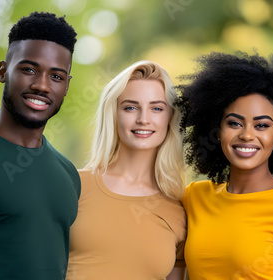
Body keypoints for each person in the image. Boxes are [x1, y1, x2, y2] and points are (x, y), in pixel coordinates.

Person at [0, 12, 80, 279]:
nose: (41, 85)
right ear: (3, 71)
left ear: (67, 86)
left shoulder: (68, 174)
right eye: (29, 69)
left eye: (56, 76)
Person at [177, 51, 273, 280]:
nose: (247, 135)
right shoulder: (194, 198)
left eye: (262, 126)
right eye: (235, 123)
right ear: (218, 131)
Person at [67, 61, 186, 280]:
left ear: (170, 117)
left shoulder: (179, 208)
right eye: (130, 107)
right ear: (114, 113)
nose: (143, 119)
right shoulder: (74, 186)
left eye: (157, 108)